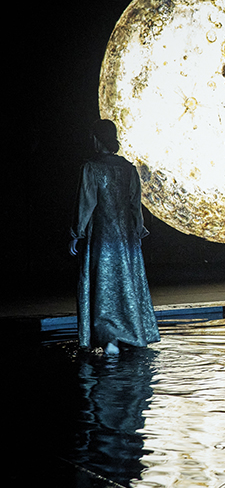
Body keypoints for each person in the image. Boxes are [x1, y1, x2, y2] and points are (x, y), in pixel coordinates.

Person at [70, 119, 159, 354]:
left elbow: (86, 203)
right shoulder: (128, 169)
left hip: (101, 236)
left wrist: (77, 233)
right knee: (125, 283)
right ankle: (126, 334)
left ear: (96, 138)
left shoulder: (91, 168)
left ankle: (109, 336)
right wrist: (137, 231)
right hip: (126, 238)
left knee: (103, 283)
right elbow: (134, 205)